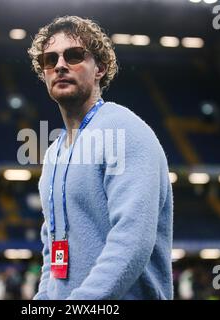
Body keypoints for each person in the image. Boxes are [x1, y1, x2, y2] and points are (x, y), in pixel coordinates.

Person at [28, 15, 173, 300]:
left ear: (100, 68)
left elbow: (132, 241)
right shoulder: (55, 151)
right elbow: (53, 247)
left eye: (74, 55)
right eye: (50, 60)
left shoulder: (125, 130)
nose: (59, 65)